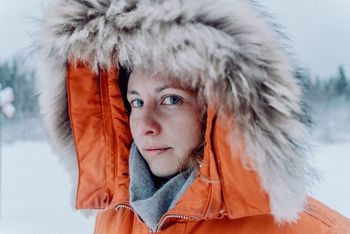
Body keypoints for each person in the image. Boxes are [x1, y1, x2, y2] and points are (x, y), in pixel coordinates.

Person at [37, 0, 350, 233]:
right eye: (136, 102)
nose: (145, 126)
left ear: (220, 109)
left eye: (171, 99)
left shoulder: (307, 229)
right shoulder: (114, 220)